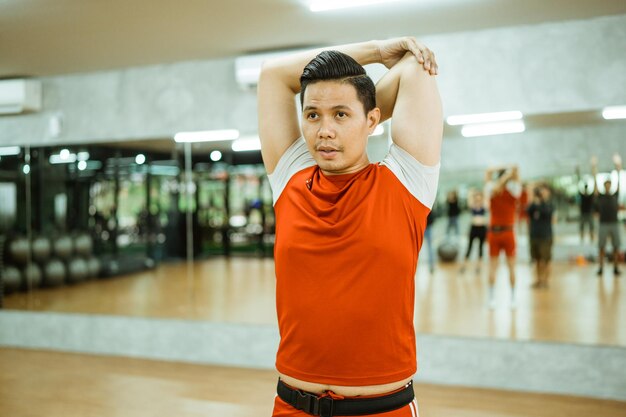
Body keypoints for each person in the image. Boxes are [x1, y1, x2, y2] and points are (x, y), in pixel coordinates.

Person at [258, 37, 441, 417]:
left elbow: (413, 68)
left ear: (374, 119)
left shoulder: (406, 181)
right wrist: (374, 53)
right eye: (312, 115)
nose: (324, 130)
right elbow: (273, 74)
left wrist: (359, 104)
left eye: (340, 115)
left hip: (382, 409)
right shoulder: (290, 177)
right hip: (292, 405)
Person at [484, 165, 522, 309]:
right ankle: (492, 298)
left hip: (506, 232)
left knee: (511, 267)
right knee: (493, 267)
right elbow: (516, 171)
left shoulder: (510, 190)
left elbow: (488, 172)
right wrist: (508, 170)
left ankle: (512, 298)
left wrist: (504, 171)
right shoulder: (495, 190)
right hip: (496, 233)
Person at [592, 154, 622, 276]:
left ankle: (615, 267)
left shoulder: (615, 195)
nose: (608, 186)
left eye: (610, 184)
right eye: (606, 184)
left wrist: (618, 168)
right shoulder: (601, 196)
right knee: (601, 247)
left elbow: (619, 181)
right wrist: (594, 168)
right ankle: (601, 267)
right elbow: (595, 183)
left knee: (616, 246)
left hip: (614, 223)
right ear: (604, 186)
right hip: (603, 223)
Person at [527, 184, 555, 288]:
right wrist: (534, 199)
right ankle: (538, 280)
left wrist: (542, 201)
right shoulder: (535, 204)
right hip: (535, 235)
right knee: (537, 259)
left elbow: (547, 213)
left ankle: (546, 281)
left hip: (545, 236)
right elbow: (528, 211)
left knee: (546, 260)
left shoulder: (549, 204)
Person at [460, 190, 488, 274]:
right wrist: (472, 193)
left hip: (482, 229)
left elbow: (487, 199)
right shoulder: (473, 206)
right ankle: (464, 266)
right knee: (469, 247)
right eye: (477, 197)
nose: (478, 199)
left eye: (480, 197)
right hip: (474, 228)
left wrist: (483, 195)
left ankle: (478, 267)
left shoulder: (484, 206)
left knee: (480, 248)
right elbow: (469, 199)